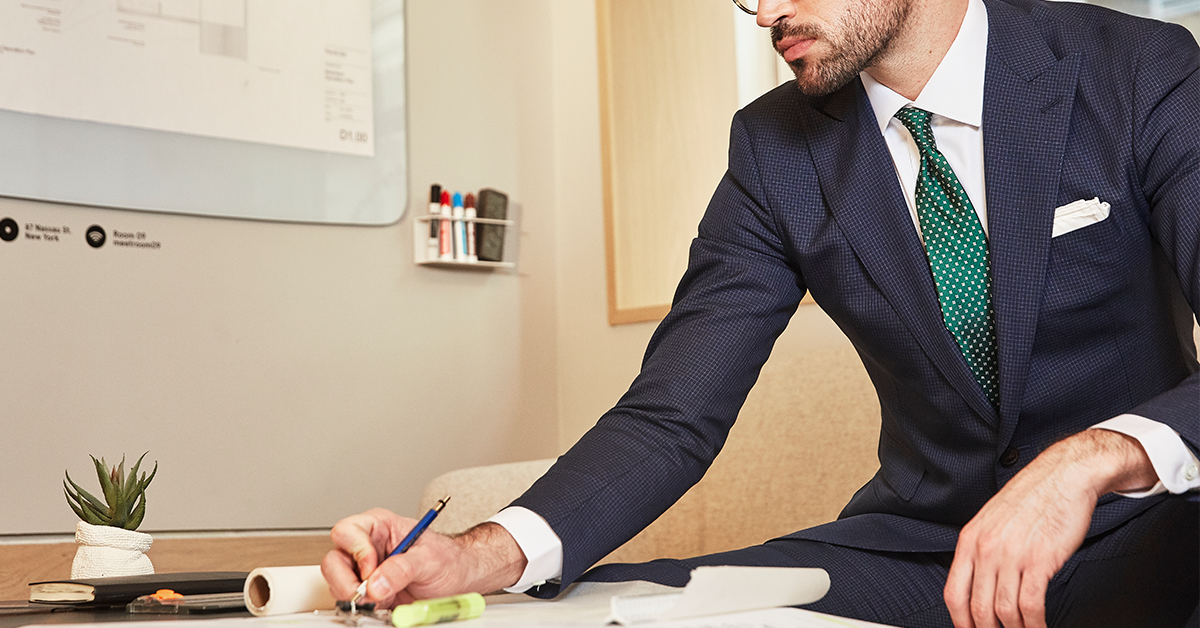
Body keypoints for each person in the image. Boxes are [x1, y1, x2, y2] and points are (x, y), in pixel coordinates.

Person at [323, 0, 1200, 626]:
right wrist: (476, 554)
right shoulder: (772, 146)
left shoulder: (1138, 70)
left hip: (1159, 530)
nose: (765, 14)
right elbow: (672, 415)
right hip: (925, 551)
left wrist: (1093, 457)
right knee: (634, 609)